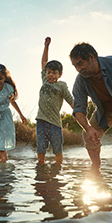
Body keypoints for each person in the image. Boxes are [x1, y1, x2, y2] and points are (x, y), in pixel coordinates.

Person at [36, 37, 73, 165]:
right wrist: (46, 46)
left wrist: (77, 113)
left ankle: (58, 169)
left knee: (57, 149)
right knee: (41, 148)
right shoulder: (44, 81)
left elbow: (70, 100)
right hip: (41, 121)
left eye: (54, 73)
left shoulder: (62, 86)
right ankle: (40, 168)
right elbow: (44, 61)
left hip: (55, 124)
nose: (51, 75)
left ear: (60, 74)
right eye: (49, 72)